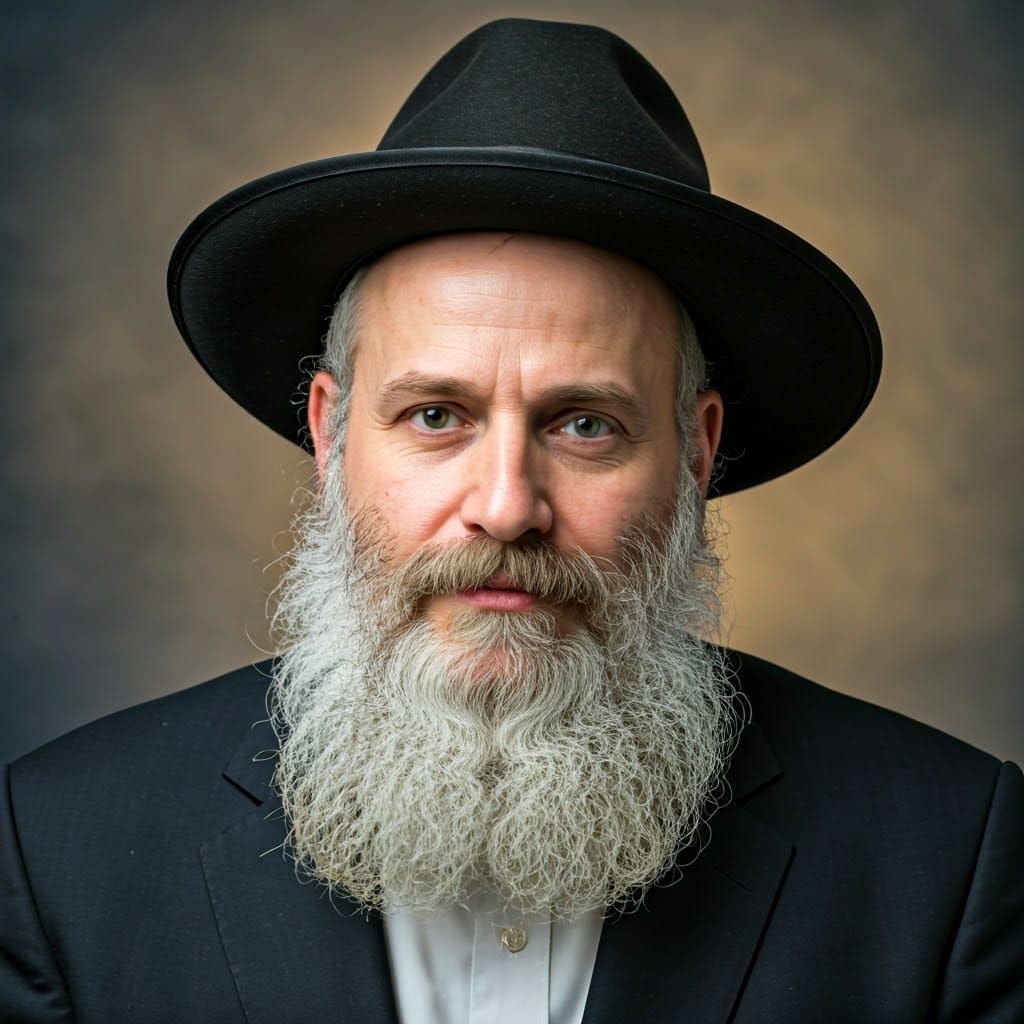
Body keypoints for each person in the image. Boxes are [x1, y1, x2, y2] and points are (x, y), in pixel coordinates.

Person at [1, 17, 1021, 1024]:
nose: (505, 506)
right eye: (435, 415)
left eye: (585, 424)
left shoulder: (944, 857)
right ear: (328, 436)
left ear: (697, 452)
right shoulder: (58, 849)